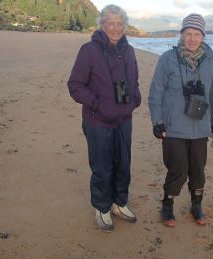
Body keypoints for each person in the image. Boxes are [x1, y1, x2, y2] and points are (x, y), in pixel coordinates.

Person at [68, 4, 141, 232]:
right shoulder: (89, 50)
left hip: (124, 120)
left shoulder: (128, 50)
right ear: (102, 25)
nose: (116, 28)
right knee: (102, 167)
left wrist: (135, 99)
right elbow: (75, 86)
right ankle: (102, 207)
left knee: (123, 165)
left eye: (120, 24)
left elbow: (134, 81)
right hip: (98, 121)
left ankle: (119, 203)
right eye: (111, 23)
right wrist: (98, 105)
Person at [148, 13, 213, 227]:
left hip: (200, 127)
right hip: (173, 127)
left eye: (197, 34)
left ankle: (196, 204)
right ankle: (168, 204)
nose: (192, 38)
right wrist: (157, 122)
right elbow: (156, 93)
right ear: (181, 34)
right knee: (178, 169)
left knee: (198, 170)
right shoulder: (167, 59)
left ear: (203, 36)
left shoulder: (212, 62)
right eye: (188, 33)